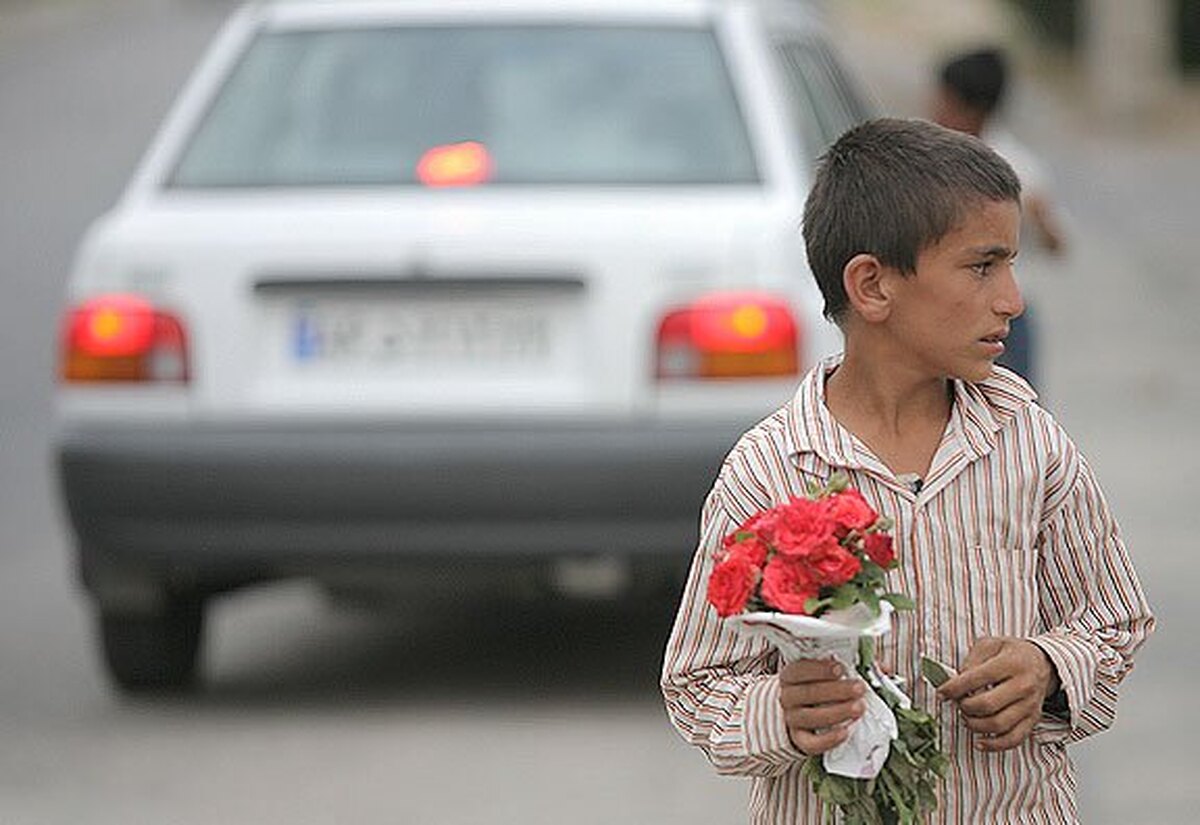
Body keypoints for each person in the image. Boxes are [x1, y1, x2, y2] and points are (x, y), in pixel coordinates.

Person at [661, 118, 1153, 824]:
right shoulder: (769, 472)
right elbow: (698, 681)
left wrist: (1049, 667)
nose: (1012, 297)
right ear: (872, 286)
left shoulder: (1028, 443)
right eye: (983, 266)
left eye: (1012, 265)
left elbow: (1114, 619)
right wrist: (783, 711)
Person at [930, 45, 1068, 390]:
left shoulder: (1017, 166)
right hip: (947, 308)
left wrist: (1041, 218)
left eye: (943, 100)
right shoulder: (930, 160)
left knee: (1010, 411)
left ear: (969, 108)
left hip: (1006, 318)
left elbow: (1058, 245)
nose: (935, 108)